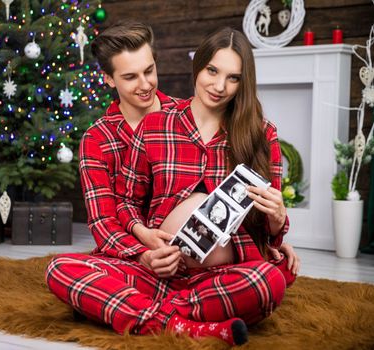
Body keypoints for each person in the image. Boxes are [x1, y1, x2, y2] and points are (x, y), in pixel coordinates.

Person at [114, 26, 298, 337]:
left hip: (225, 274)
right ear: (198, 66)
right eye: (212, 70)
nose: (219, 86)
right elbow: (127, 201)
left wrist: (279, 219)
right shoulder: (156, 124)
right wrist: (144, 239)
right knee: (61, 269)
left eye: (233, 77)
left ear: (243, 82)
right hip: (157, 269)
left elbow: (270, 235)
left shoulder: (262, 134)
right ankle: (191, 321)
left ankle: (153, 312)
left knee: (268, 282)